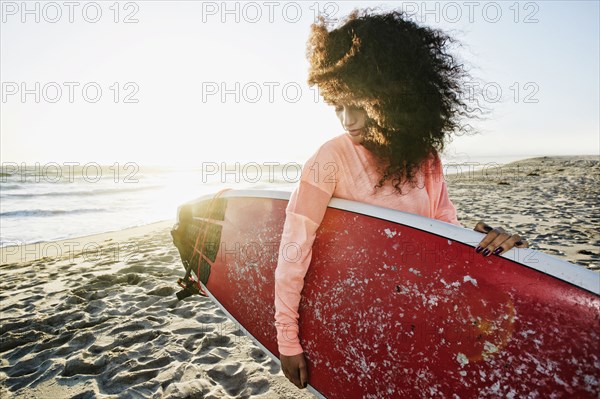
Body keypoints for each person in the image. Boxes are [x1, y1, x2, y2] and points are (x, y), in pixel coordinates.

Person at [274, 9, 527, 390]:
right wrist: (287, 339)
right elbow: (294, 250)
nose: (347, 119)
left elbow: (443, 234)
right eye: (338, 105)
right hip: (360, 320)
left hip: (420, 319)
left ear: (392, 95)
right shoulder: (330, 158)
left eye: (357, 103)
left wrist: (488, 246)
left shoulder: (425, 159)